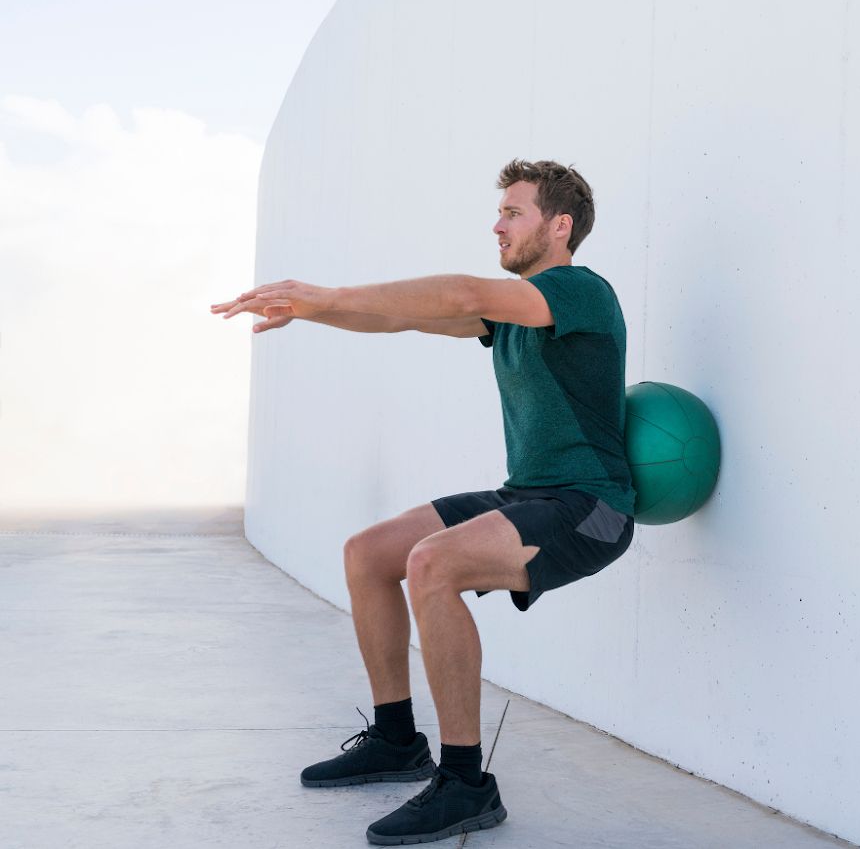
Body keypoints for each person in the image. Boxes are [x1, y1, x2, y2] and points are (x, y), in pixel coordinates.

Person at [211, 159, 635, 845]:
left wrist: (329, 289)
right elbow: (406, 315)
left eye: (514, 212)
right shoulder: (510, 316)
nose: (497, 223)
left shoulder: (580, 291)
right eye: (499, 211)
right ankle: (397, 738)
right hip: (528, 493)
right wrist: (315, 307)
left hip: (591, 505)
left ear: (560, 226)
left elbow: (463, 289)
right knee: (370, 553)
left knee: (432, 563)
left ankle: (467, 783)